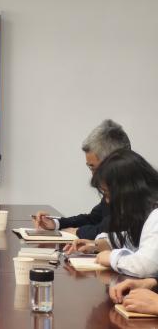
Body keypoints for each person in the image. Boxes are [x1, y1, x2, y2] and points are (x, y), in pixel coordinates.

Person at [34, 119, 130, 239]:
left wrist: (78, 232)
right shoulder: (113, 186)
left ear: (113, 162)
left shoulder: (135, 189)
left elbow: (109, 229)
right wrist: (56, 223)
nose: (93, 176)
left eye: (93, 168)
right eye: (90, 168)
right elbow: (93, 219)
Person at [85, 149, 158, 278]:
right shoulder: (147, 211)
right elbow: (135, 240)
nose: (107, 201)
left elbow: (145, 266)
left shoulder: (156, 214)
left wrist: (112, 258)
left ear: (128, 190)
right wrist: (98, 244)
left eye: (108, 193)